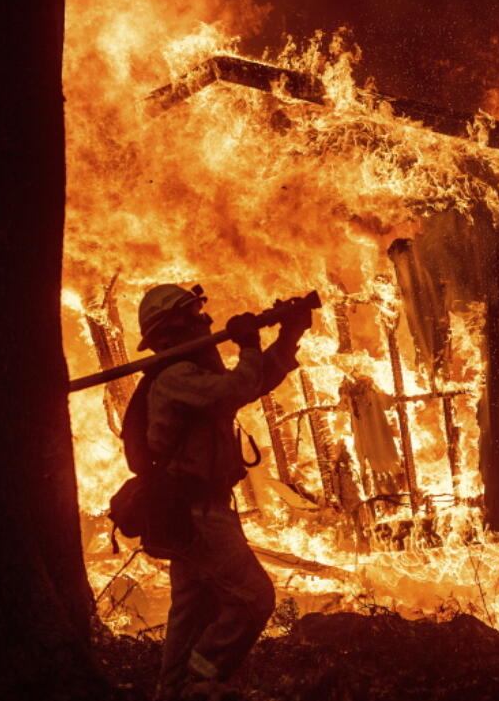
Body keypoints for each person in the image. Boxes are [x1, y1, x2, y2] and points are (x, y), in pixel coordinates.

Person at [120, 283, 311, 701]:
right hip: (196, 515)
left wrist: (289, 336)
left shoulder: (190, 376)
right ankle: (199, 678)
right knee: (254, 599)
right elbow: (236, 388)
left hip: (192, 512)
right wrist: (248, 345)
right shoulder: (175, 377)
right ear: (173, 329)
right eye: (196, 316)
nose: (206, 321)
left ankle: (171, 690)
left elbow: (252, 382)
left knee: (193, 612)